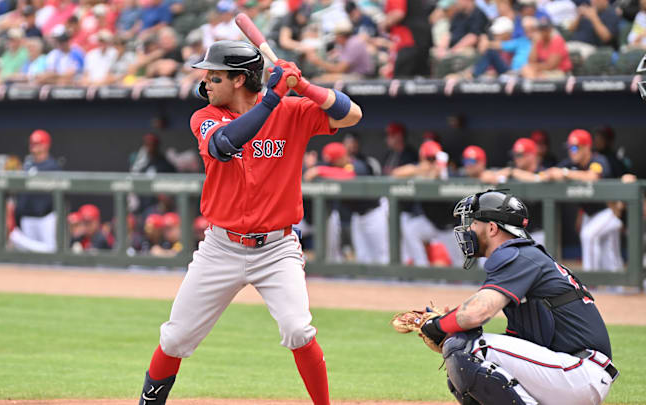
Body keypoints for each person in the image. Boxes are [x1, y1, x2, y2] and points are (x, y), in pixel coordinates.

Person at [137, 39, 362, 405]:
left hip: (276, 248)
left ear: (240, 80)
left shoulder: (292, 111)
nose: (206, 81)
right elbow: (225, 143)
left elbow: (351, 114)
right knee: (176, 337)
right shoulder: (205, 116)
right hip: (220, 248)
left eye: (215, 75)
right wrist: (273, 98)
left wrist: (301, 86)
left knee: (298, 329)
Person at [418, 190, 617, 404]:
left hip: (579, 371)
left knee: (468, 349)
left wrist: (439, 325)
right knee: (463, 353)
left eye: (474, 223)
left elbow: (477, 312)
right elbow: (515, 341)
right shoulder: (523, 256)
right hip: (570, 371)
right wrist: (454, 331)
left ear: (492, 228)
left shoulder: (519, 255)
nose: (469, 229)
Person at [541, 129, 621, 271]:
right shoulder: (570, 163)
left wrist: (565, 174)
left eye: (575, 147)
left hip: (610, 211)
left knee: (592, 238)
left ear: (587, 147)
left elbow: (593, 176)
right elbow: (546, 174)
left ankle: (593, 282)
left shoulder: (598, 160)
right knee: (605, 250)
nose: (572, 151)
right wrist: (552, 174)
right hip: (590, 213)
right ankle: (604, 285)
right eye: (570, 148)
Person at [303, 142, 388, 264]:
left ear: (342, 157)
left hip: (374, 214)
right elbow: (314, 170)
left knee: (382, 254)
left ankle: (394, 282)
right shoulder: (333, 166)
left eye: (334, 161)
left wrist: (320, 170)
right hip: (357, 217)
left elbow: (348, 176)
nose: (331, 164)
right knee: (363, 256)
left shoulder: (358, 165)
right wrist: (311, 165)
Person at [9, 130, 61, 253]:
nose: (34, 146)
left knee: (50, 251)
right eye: (32, 143)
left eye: (38, 143)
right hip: (27, 216)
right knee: (30, 258)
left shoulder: (52, 166)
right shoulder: (26, 165)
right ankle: (18, 239)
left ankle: (17, 239)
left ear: (46, 145)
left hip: (45, 217)